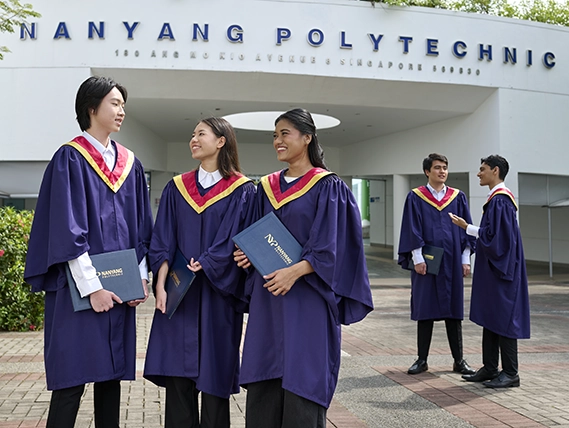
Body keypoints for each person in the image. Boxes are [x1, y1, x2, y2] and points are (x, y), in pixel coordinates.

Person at [24, 76, 153, 428]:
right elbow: (68, 231)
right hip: (77, 291)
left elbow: (141, 228)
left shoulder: (130, 164)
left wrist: (139, 279)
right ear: (91, 108)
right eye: (114, 103)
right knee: (71, 380)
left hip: (120, 291)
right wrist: (93, 288)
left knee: (110, 379)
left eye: (123, 104)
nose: (121, 110)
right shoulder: (70, 159)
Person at [234, 108, 374, 428]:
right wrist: (246, 255)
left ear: (307, 138)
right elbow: (254, 234)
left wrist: (294, 272)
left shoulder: (328, 187)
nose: (277, 141)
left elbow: (332, 246)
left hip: (307, 299)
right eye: (274, 135)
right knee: (266, 375)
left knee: (303, 377)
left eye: (285, 134)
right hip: (269, 299)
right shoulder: (265, 187)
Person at [143, 117, 256, 428]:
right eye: (192, 134)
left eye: (201, 134)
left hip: (217, 296)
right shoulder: (176, 188)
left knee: (214, 380)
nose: (193, 139)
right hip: (180, 295)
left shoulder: (243, 190)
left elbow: (240, 239)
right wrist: (161, 285)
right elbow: (162, 239)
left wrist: (210, 261)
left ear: (221, 141)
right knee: (179, 380)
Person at [449, 155, 530, 388]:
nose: (478, 173)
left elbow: (500, 242)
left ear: (495, 171)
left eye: (482, 169)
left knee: (504, 318)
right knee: (492, 317)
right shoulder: (496, 200)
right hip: (495, 271)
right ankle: (491, 368)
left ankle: (511, 372)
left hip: (502, 272)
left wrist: (468, 228)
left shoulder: (501, 201)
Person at [398, 153, 476, 376]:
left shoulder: (457, 197)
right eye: (437, 168)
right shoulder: (416, 197)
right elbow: (411, 229)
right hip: (428, 263)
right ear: (427, 172)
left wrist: (464, 259)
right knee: (425, 310)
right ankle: (422, 360)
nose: (442, 171)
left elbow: (466, 229)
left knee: (454, 312)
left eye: (444, 168)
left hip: (451, 262)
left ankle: (459, 361)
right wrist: (418, 258)